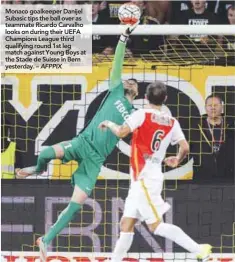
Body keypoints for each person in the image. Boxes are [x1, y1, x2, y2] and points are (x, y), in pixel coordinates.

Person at [16, 22, 139, 261]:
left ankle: (45, 240)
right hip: (82, 142)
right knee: (45, 154)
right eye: (128, 80)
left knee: (76, 204)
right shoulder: (115, 90)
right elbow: (117, 63)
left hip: (96, 160)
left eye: (134, 83)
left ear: (137, 91)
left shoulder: (135, 114)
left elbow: (131, 135)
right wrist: (123, 38)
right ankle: (38, 170)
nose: (130, 81)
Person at [99, 81, 212, 261]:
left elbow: (121, 132)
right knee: (126, 224)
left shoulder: (141, 114)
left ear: (145, 98)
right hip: (144, 178)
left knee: (155, 226)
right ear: (165, 99)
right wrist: (177, 159)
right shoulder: (171, 121)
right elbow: (184, 147)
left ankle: (199, 249)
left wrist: (108, 123)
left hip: (145, 177)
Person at [190, 94, 234, 182]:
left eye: (216, 105)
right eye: (210, 105)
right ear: (205, 108)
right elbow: (187, 149)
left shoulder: (232, 126)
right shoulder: (194, 127)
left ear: (222, 107)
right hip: (202, 178)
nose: (213, 108)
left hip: (229, 179)